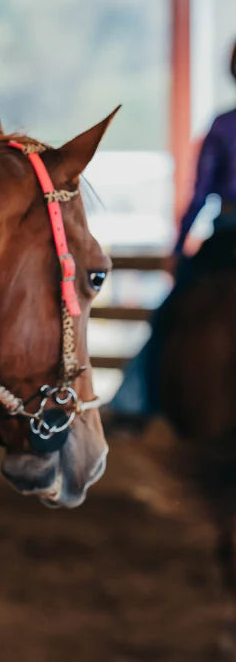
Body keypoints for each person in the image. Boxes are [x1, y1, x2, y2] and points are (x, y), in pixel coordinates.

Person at [107, 39, 236, 420]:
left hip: (228, 235)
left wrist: (179, 250)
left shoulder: (223, 125)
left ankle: (134, 403)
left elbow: (199, 195)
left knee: (172, 312)